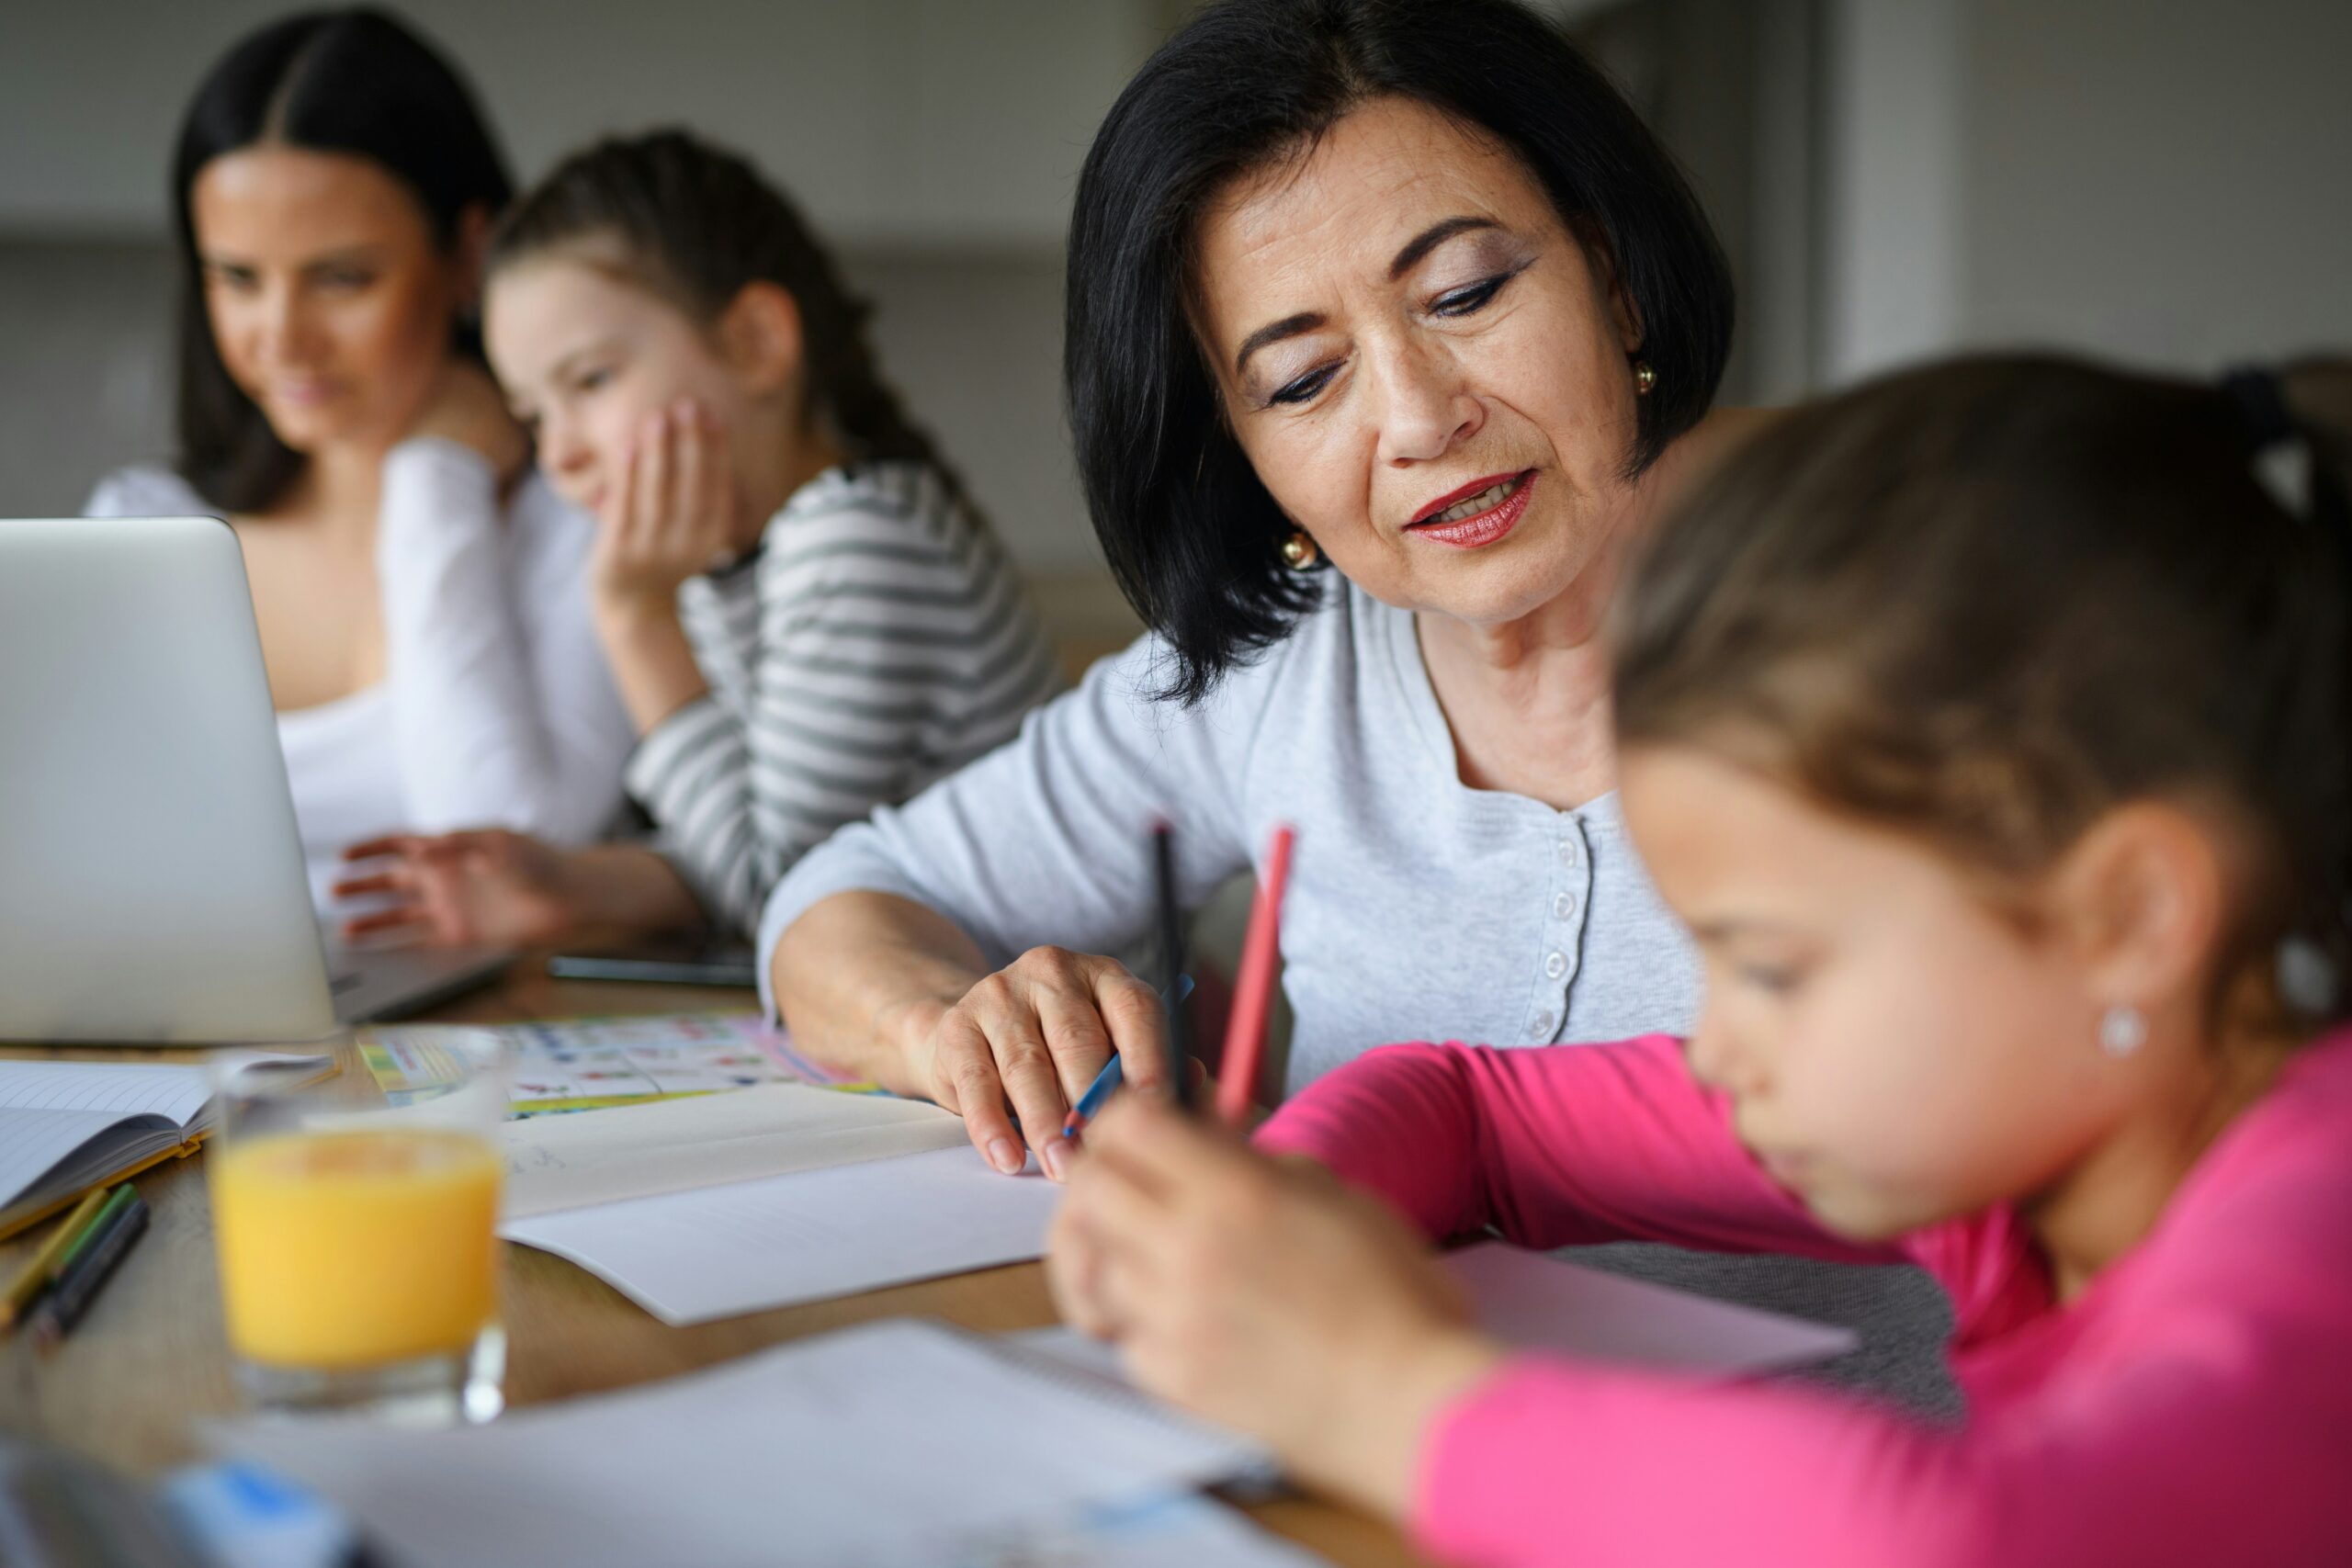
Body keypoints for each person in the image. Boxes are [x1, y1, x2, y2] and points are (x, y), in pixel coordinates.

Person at [762, 0, 1951, 1406]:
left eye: (1463, 295)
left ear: (1615, 277)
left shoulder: (1924, 620)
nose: (1415, 414)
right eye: (1304, 377)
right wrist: (948, 1026)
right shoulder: (1282, 662)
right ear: (1239, 449)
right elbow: (842, 894)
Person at [1047, 355, 2352, 1567]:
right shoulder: (2032, 1137)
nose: (1714, 1044)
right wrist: (1268, 1224)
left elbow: (1957, 1536)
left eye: (1770, 967)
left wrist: (1376, 1386)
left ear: (2125, 916)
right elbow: (1470, 1106)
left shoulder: (2311, 1248)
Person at [333, 131, 1060, 947]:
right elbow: (762, 834)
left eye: (592, 381)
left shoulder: (855, 541)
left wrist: (635, 618)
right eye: (533, 414)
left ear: (755, 343)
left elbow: (785, 899)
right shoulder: (751, 556)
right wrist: (572, 884)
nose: (559, 452)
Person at [85, 8, 633, 910]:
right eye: (238, 278)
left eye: (343, 278)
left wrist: (436, 482)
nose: (283, 340)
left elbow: (510, 861)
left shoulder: (575, 528)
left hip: (478, 1041)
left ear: (469, 254)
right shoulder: (141, 528)